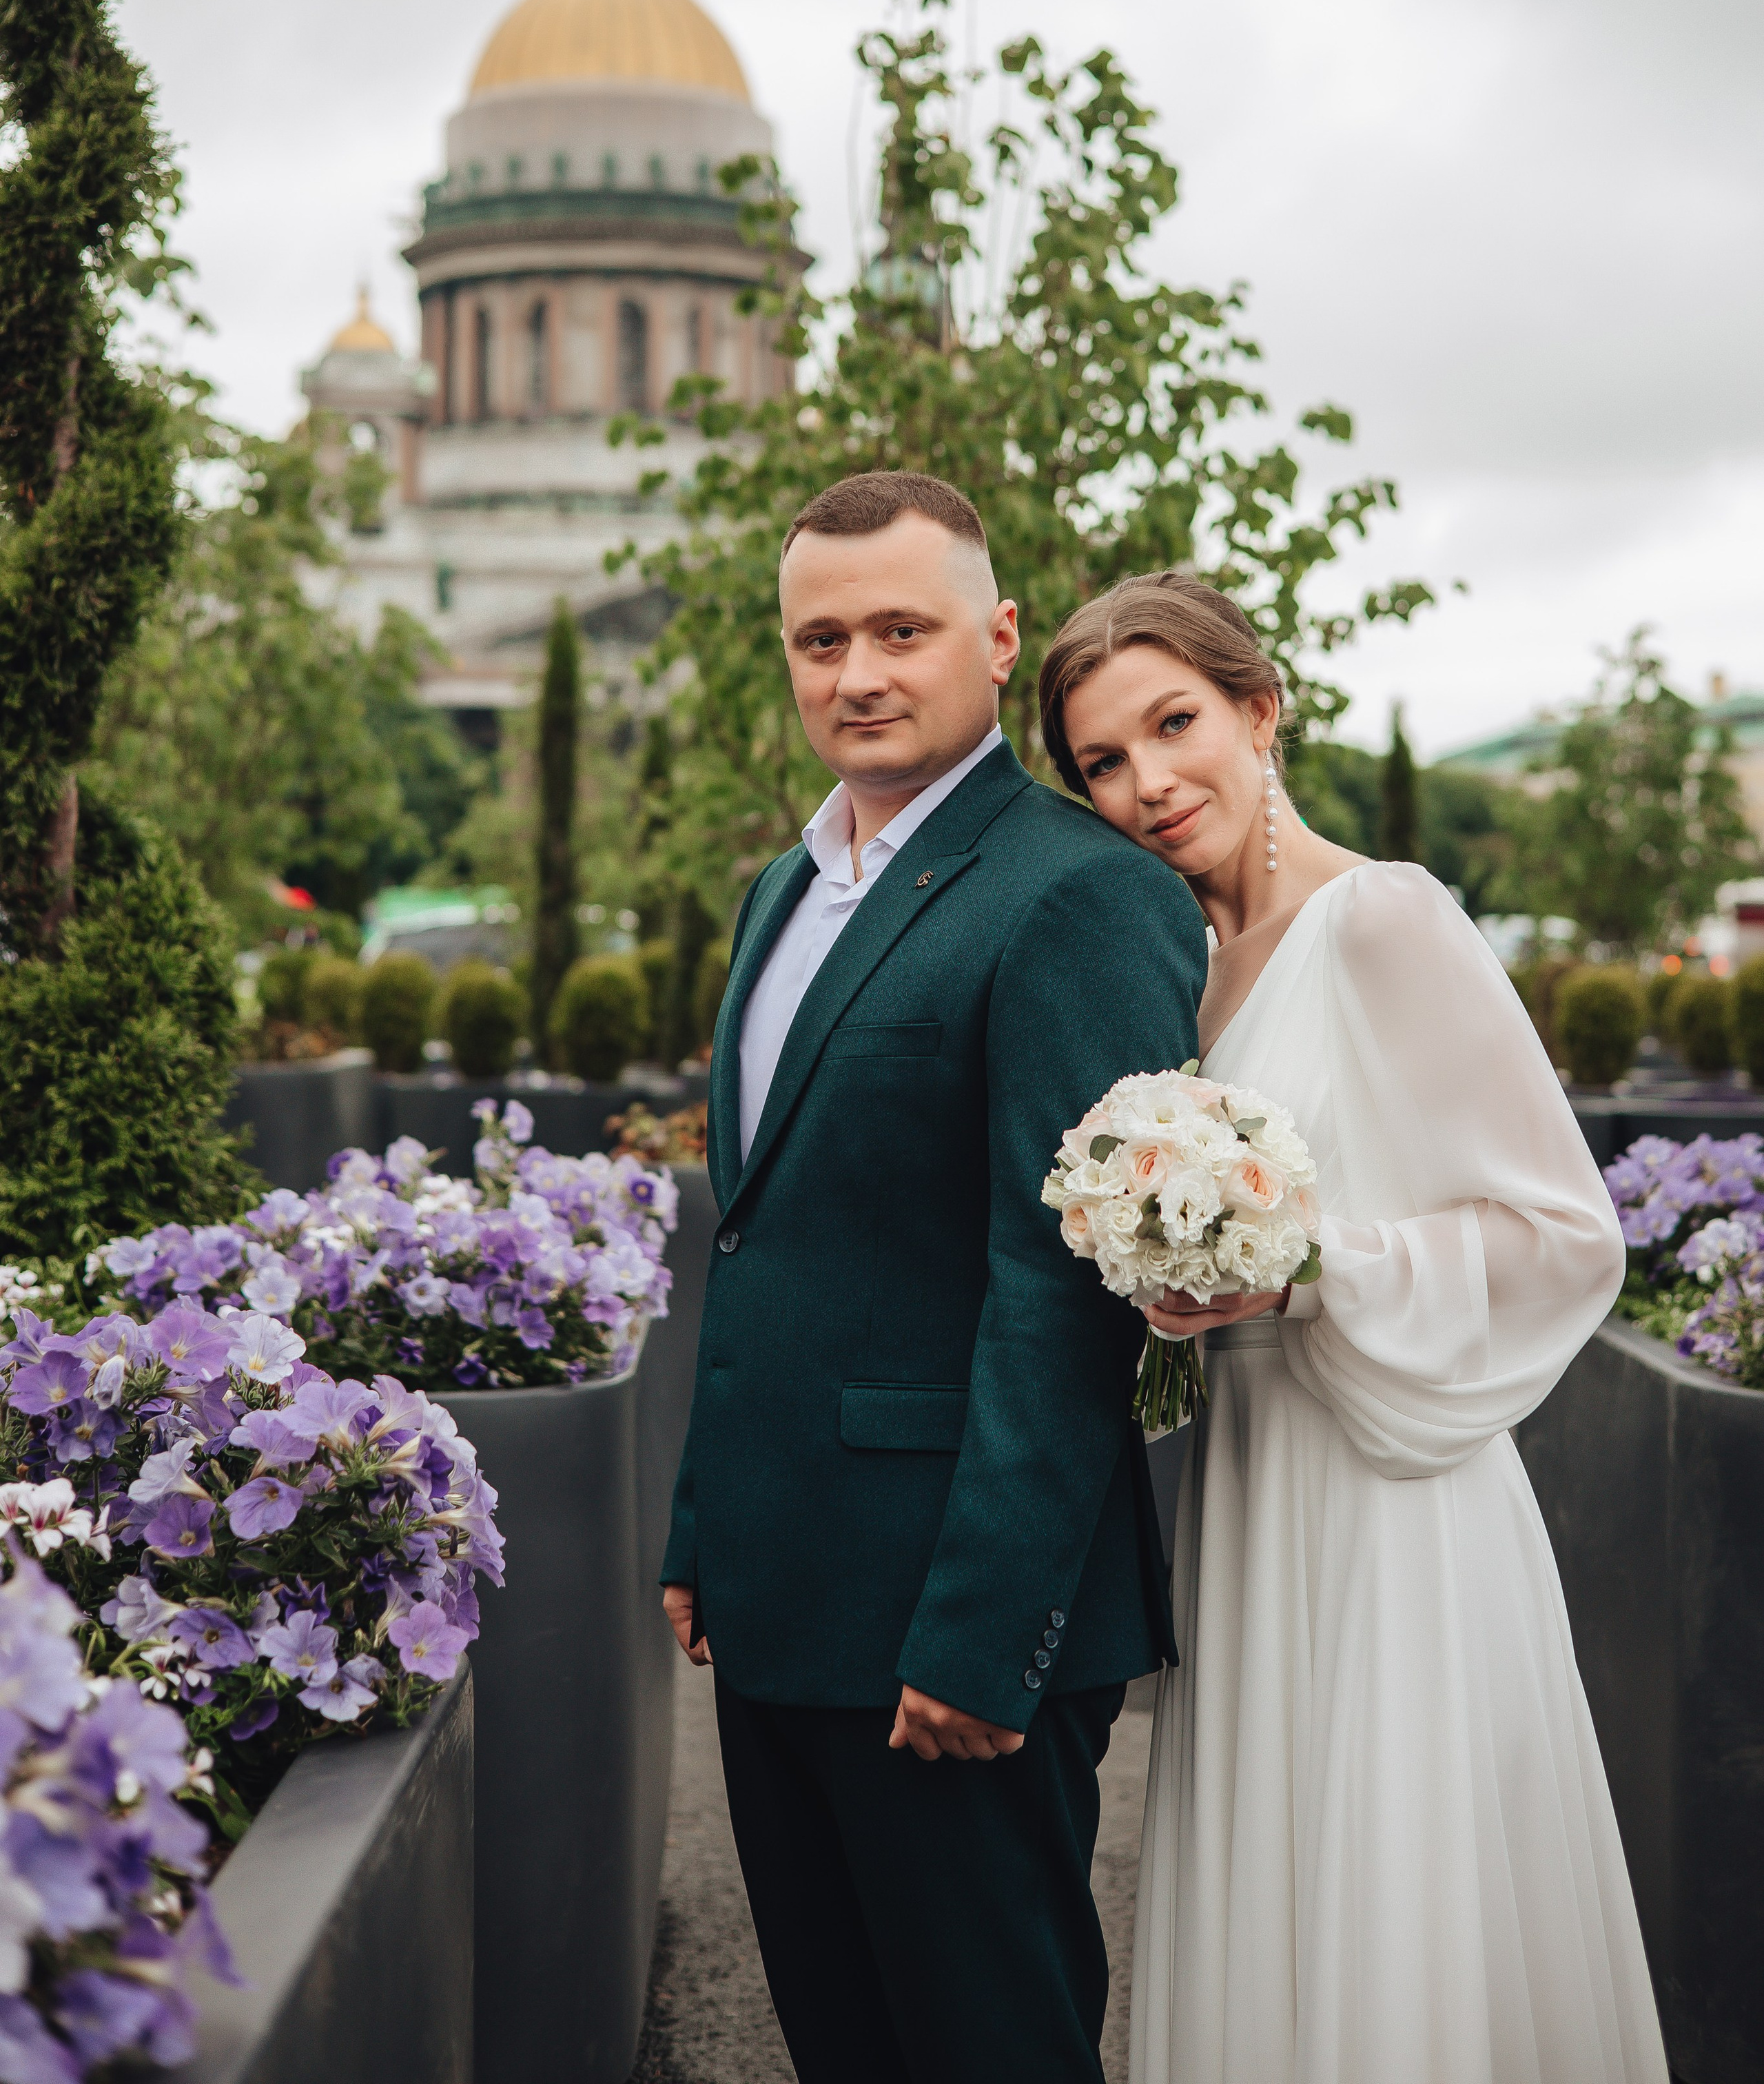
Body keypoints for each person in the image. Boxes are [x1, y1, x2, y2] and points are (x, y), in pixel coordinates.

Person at [1038, 571, 1668, 2084]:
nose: (1146, 783)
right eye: (1103, 762)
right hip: (1247, 1483)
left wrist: (1305, 1268)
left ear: (1260, 711)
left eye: (1173, 724)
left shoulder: (1383, 917)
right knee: (1278, 1893)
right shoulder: (1182, 976)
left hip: (1391, 1495)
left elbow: (1563, 1233)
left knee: (1394, 1896)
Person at [661, 471, 1209, 2084]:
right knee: (843, 2045)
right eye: (818, 640)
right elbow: (766, 1240)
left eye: (900, 630)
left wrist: (981, 1640)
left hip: (945, 1628)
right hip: (777, 1594)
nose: (857, 674)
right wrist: (701, 1526)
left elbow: (1063, 1293)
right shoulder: (783, 889)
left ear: (997, 635)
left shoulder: (1079, 891)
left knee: (988, 2050)